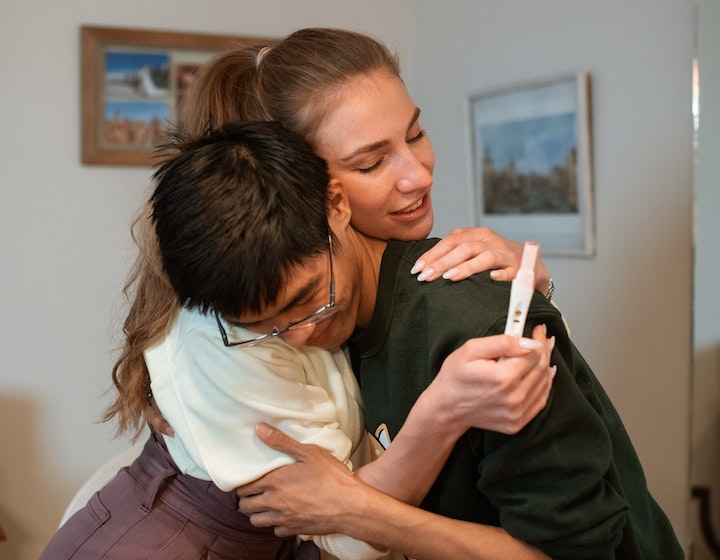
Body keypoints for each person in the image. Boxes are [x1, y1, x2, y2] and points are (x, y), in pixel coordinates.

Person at [40, 28, 555, 560]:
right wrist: (441, 412)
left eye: (417, 132)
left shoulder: (387, 267)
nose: (417, 175)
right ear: (307, 186)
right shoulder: (233, 330)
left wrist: (529, 290)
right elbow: (349, 528)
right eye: (370, 162)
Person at [141, 121, 682, 559]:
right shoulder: (322, 328)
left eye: (309, 296)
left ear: (336, 205)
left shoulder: (480, 330)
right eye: (268, 326)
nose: (303, 333)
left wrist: (354, 508)